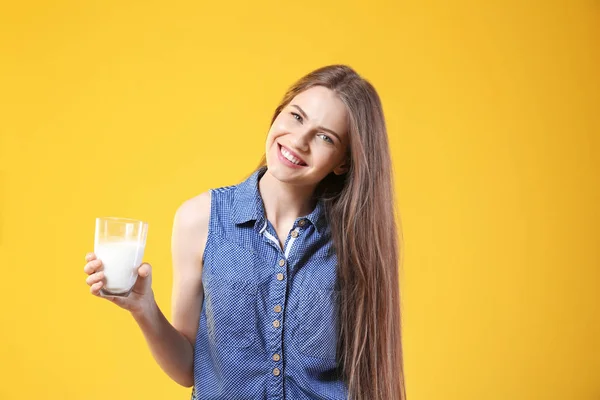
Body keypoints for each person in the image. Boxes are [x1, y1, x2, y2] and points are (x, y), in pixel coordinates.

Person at [83, 64, 407, 400]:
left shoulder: (356, 240)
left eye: (325, 137)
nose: (299, 141)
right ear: (279, 113)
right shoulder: (199, 219)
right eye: (296, 117)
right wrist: (143, 306)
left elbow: (371, 375)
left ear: (343, 161)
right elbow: (186, 370)